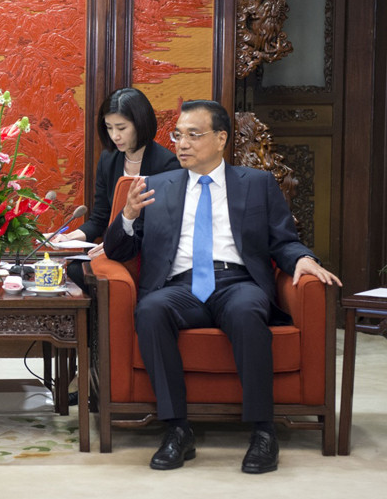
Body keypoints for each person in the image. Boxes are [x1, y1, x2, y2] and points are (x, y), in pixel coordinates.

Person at [103, 99, 341, 474]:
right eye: (178, 135)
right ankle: (177, 429)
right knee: (150, 310)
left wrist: (303, 259)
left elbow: (283, 239)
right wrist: (128, 216)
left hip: (237, 282)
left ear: (220, 139)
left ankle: (263, 432)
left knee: (248, 312)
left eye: (193, 135)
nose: (182, 143)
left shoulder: (258, 184)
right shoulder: (155, 186)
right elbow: (118, 251)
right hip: (179, 285)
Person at [46, 88, 179, 291]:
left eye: (121, 128)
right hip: (115, 245)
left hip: (149, 252)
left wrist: (112, 246)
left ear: (140, 124)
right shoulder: (108, 160)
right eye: (109, 128)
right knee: (76, 270)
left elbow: (163, 228)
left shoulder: (167, 164)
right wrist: (69, 237)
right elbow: (100, 218)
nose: (115, 136)